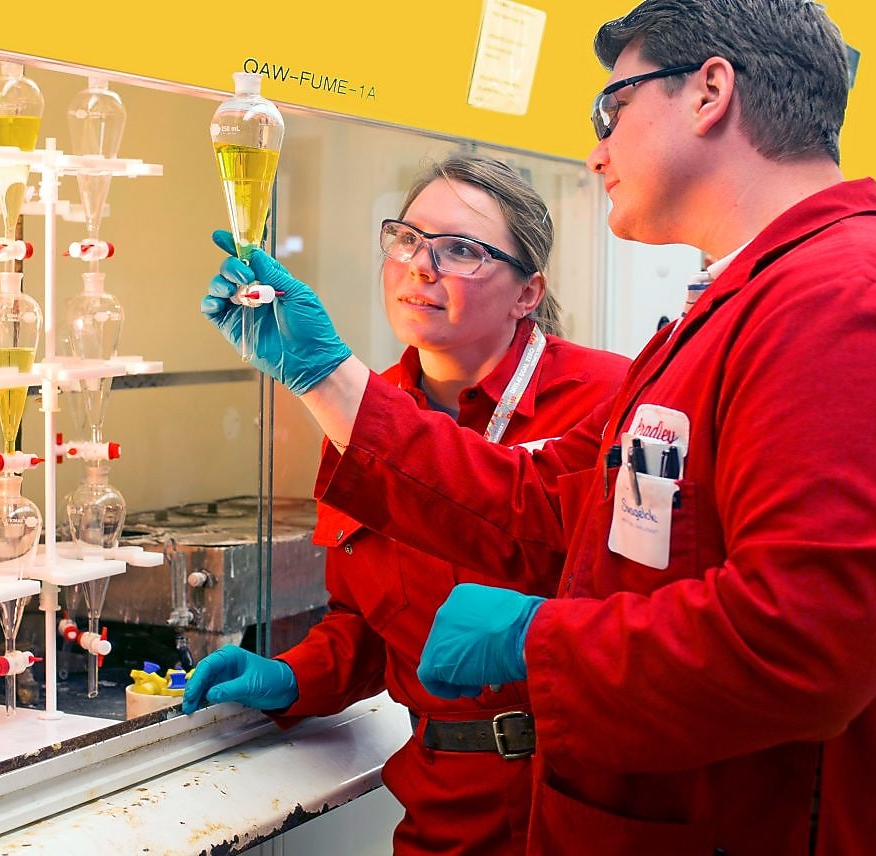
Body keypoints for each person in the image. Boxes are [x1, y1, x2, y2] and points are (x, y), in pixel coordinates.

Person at [196, 1, 876, 854]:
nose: (596, 150)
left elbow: (804, 640)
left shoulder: (842, 305)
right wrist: (327, 377)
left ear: (710, 92)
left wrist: (534, 637)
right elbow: (546, 503)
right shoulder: (740, 310)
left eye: (610, 110)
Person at [184, 155, 630, 855]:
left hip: (583, 797)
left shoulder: (609, 400)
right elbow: (370, 621)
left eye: (460, 250)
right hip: (443, 802)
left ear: (527, 292)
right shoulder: (365, 411)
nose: (422, 267)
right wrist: (294, 674)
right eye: (407, 239)